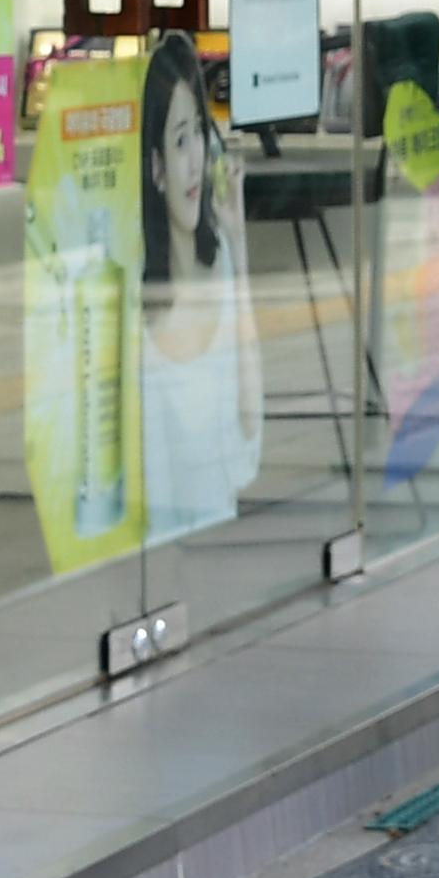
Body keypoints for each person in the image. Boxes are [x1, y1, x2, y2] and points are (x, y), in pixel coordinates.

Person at [136, 31, 263, 545]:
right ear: (157, 168)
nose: (195, 164)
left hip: (216, 542)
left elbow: (250, 425)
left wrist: (236, 236)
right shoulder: (141, 304)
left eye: (199, 136)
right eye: (179, 139)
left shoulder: (221, 262)